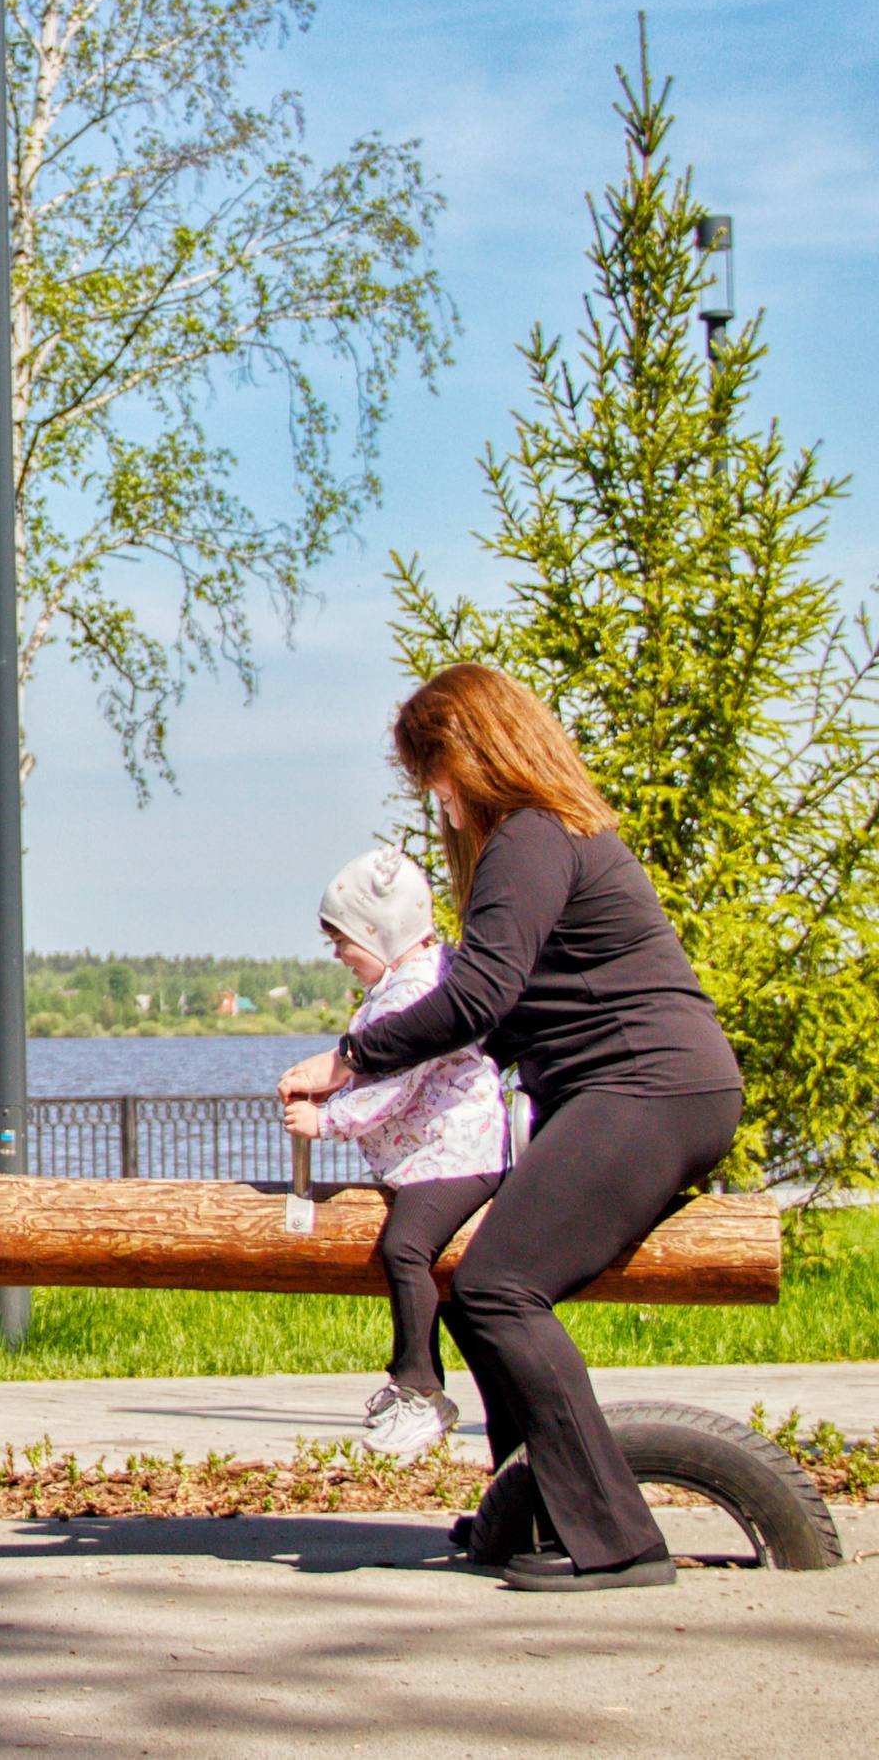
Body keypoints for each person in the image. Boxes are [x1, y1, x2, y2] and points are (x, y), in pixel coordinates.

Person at [280, 664, 742, 1593]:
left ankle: (618, 1542)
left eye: (434, 777)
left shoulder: (531, 837)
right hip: (626, 1091)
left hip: (647, 1088)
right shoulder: (546, 839)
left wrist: (351, 1059)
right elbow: (493, 1018)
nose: (436, 801)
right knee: (471, 1287)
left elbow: (476, 999)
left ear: (470, 752)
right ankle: (526, 1512)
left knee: (499, 1288)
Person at [280, 847, 506, 1459]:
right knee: (428, 1265)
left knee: (406, 1248)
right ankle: (439, 1390)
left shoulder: (414, 989)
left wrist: (323, 1122)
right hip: (438, 1154)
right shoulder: (414, 977)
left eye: (344, 941)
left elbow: (393, 1087)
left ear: (381, 935)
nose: (337, 955)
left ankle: (419, 1389)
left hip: (457, 1155)